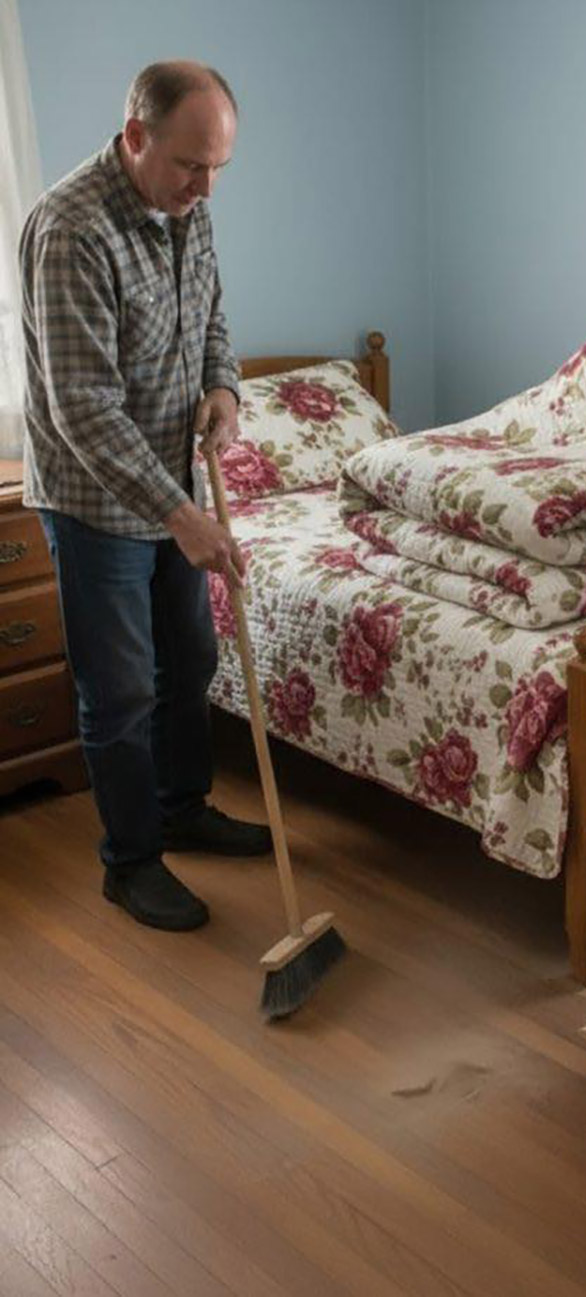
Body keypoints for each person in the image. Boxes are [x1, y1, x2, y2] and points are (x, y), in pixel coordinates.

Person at [20, 61, 271, 932]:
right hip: (99, 505)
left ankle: (180, 806)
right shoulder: (69, 231)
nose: (205, 188)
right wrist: (182, 515)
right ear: (136, 137)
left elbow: (211, 320)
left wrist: (225, 392)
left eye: (217, 170)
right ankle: (129, 861)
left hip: (174, 483)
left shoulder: (187, 209)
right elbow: (81, 411)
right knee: (120, 689)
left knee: (191, 661)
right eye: (190, 167)